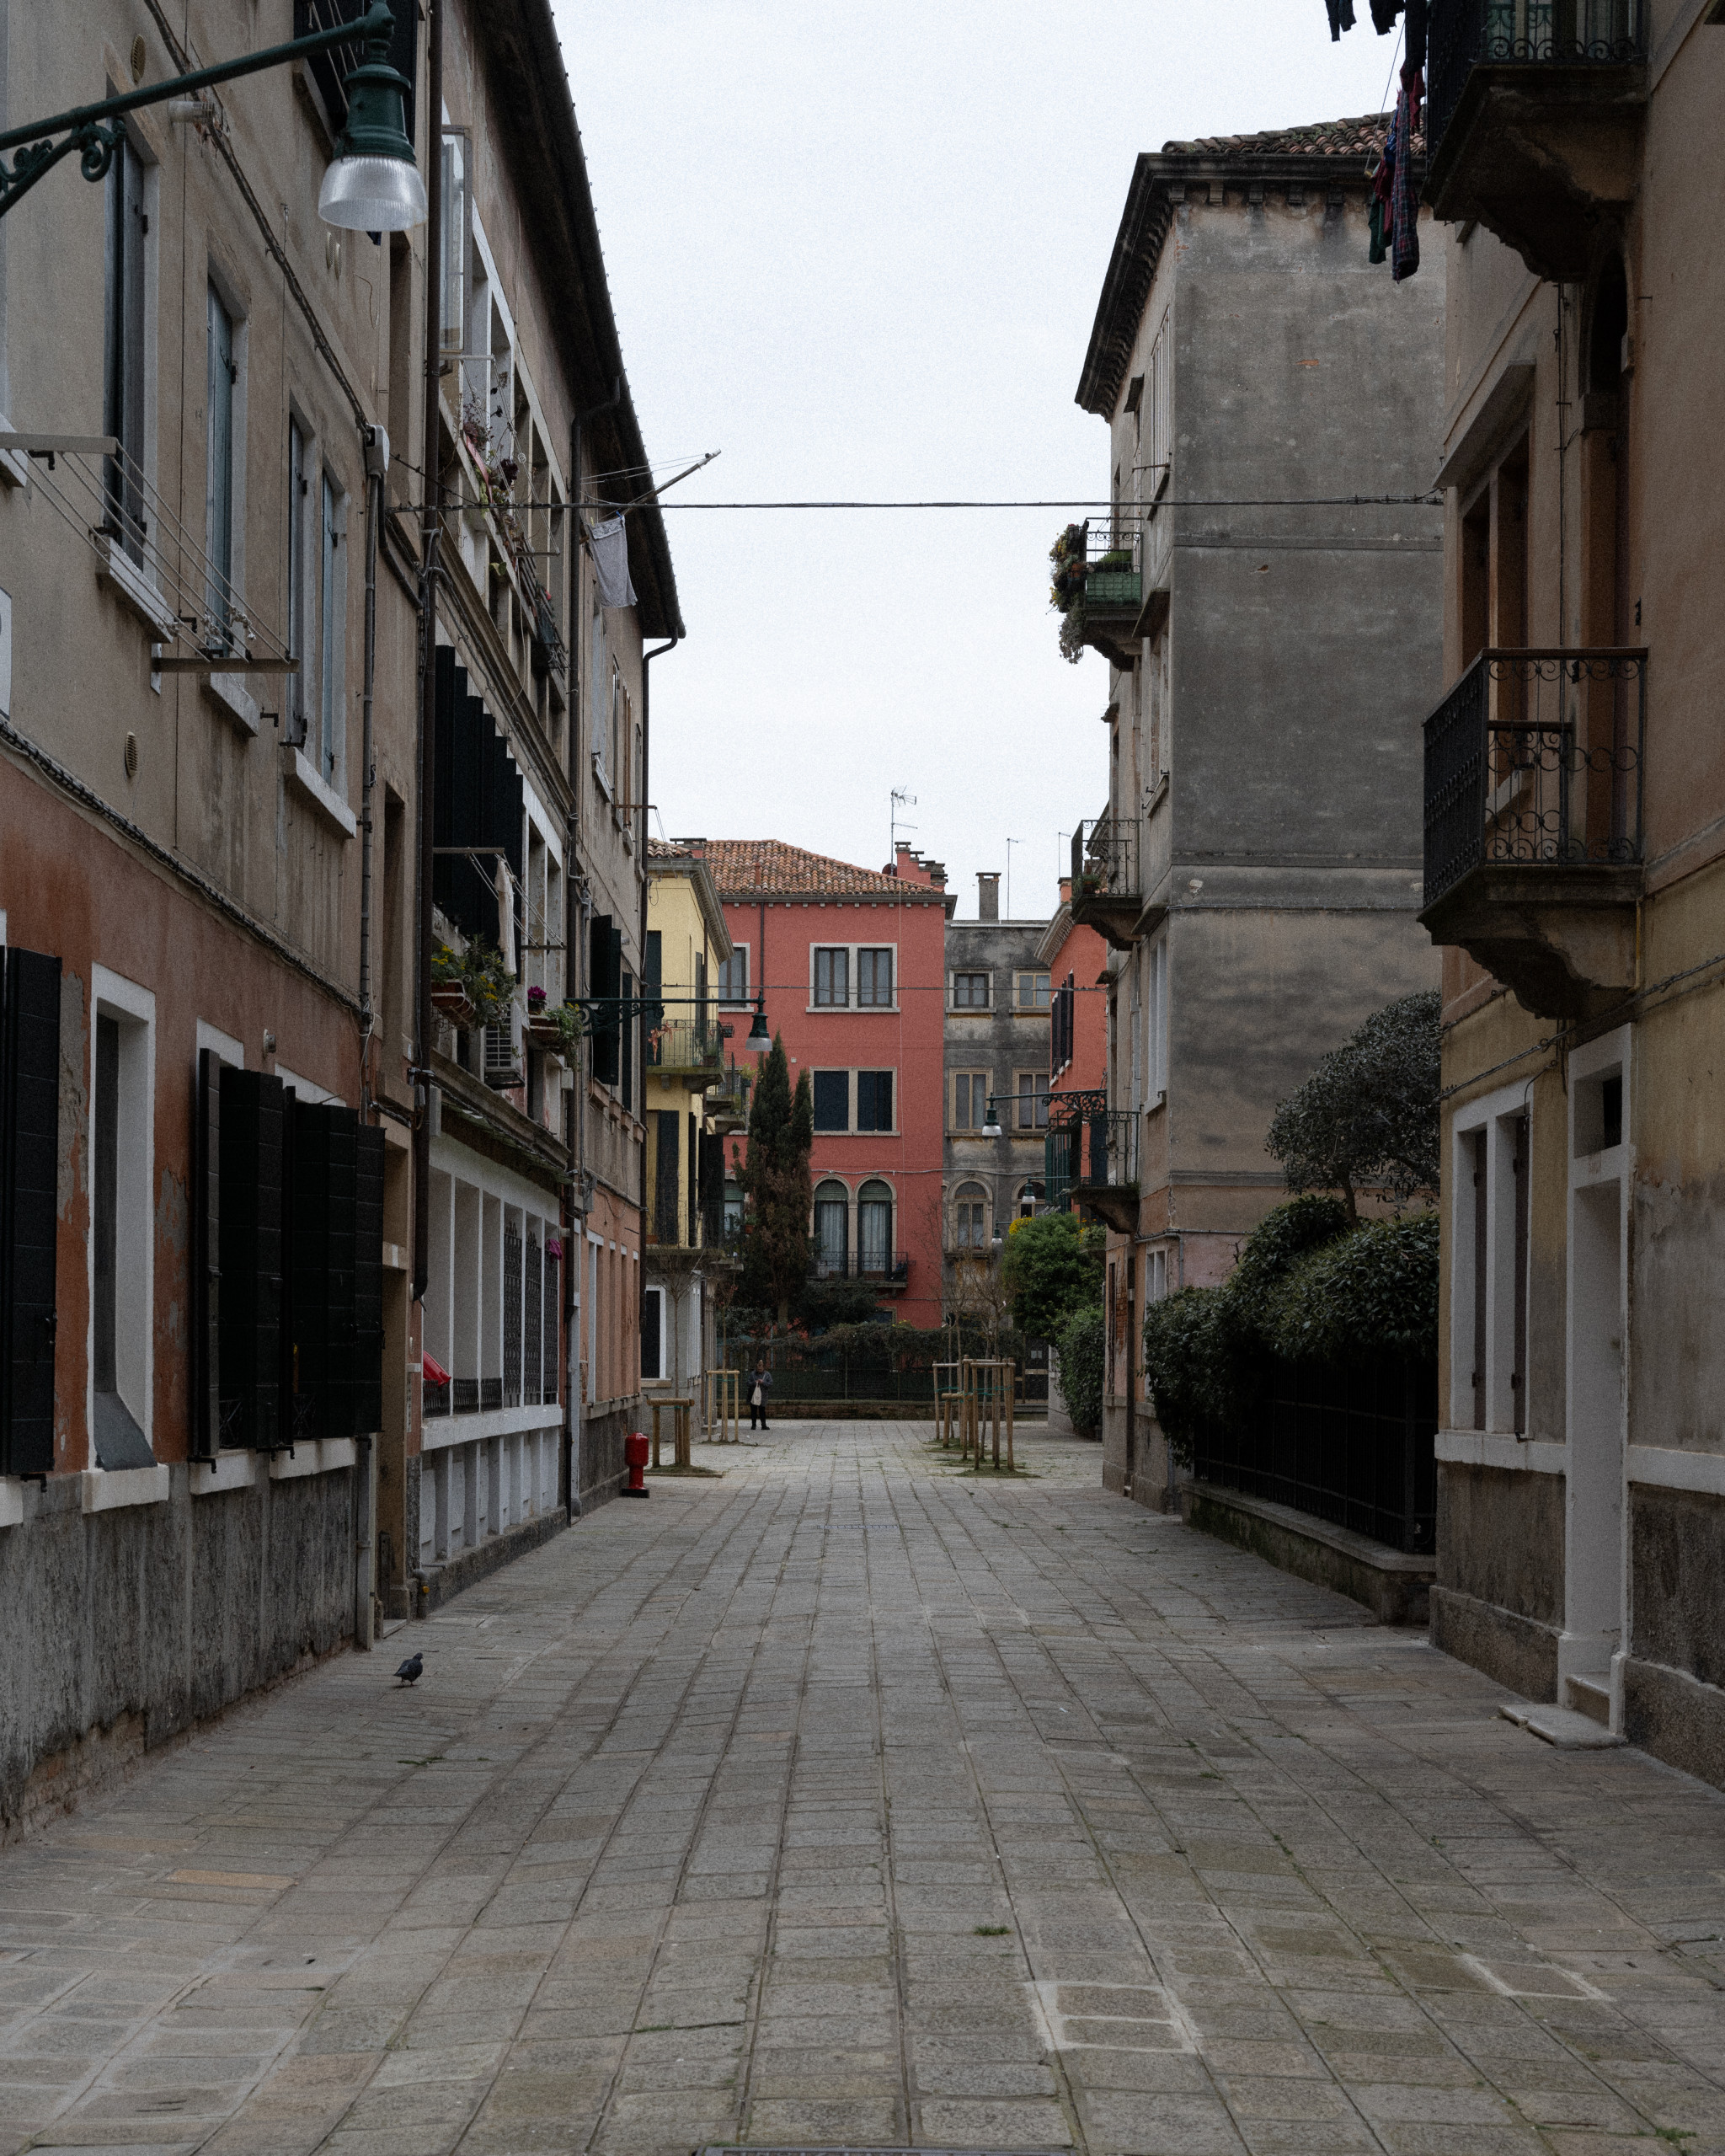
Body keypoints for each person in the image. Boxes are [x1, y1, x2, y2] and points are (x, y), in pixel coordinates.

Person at [749, 1357, 772, 1431]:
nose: (759, 1369)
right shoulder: (752, 1374)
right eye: (758, 1368)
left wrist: (763, 1382)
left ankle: (763, 1425)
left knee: (762, 1411)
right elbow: (747, 1383)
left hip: (763, 1396)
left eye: (761, 1368)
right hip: (753, 1395)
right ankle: (753, 1425)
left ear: (763, 1367)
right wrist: (754, 1382)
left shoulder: (767, 1375)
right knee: (753, 1411)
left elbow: (770, 1384)